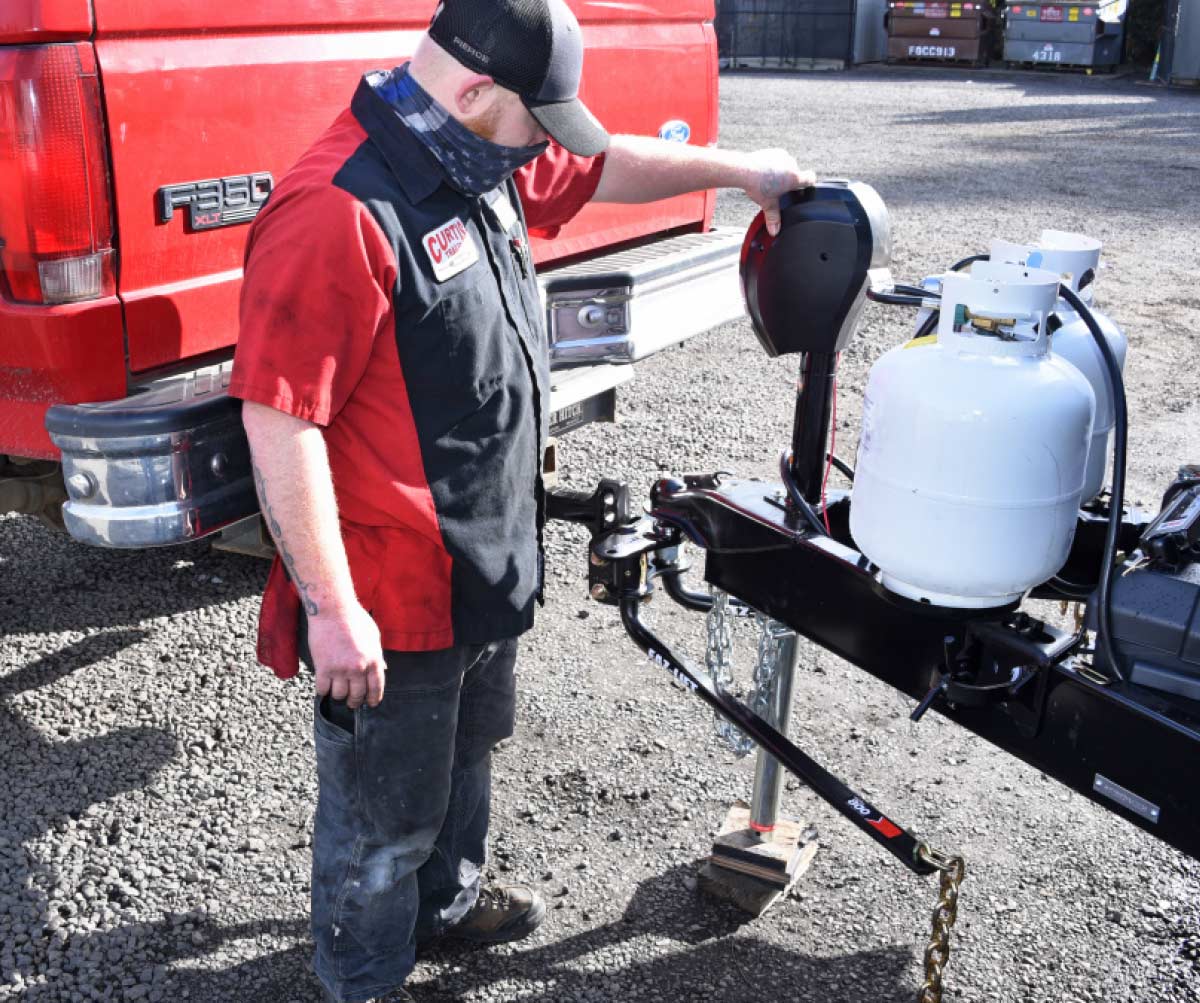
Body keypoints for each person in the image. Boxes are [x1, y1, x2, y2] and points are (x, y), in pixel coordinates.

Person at [230, 1, 814, 999]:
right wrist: (334, 611)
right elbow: (281, 421)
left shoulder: (472, 154)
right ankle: (359, 977)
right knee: (382, 824)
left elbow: (603, 169)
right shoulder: (340, 209)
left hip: (481, 562)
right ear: (473, 92)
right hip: (392, 601)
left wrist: (742, 169)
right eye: (534, 122)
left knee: (466, 763)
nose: (545, 147)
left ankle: (447, 909)